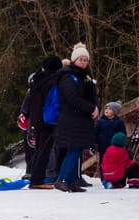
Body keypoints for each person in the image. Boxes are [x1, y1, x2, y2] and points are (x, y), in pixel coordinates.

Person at [53, 43, 99, 193]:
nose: (84, 63)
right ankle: (62, 179)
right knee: (73, 150)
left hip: (81, 119)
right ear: (74, 60)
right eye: (81, 60)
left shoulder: (85, 76)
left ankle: (72, 181)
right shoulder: (67, 76)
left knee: (77, 150)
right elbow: (72, 98)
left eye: (86, 60)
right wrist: (90, 108)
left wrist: (96, 106)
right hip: (70, 119)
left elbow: (93, 95)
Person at [26, 55, 64, 189]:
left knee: (39, 149)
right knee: (44, 150)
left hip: (36, 118)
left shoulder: (36, 80)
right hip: (48, 119)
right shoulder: (53, 81)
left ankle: (35, 176)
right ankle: (37, 179)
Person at [94, 101, 126, 178]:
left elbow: (122, 134)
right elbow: (95, 133)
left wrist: (122, 144)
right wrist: (94, 143)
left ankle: (114, 176)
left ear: (115, 111)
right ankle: (103, 177)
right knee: (103, 161)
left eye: (110, 109)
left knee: (114, 162)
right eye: (106, 108)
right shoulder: (100, 121)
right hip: (103, 146)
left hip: (114, 147)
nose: (107, 110)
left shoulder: (119, 122)